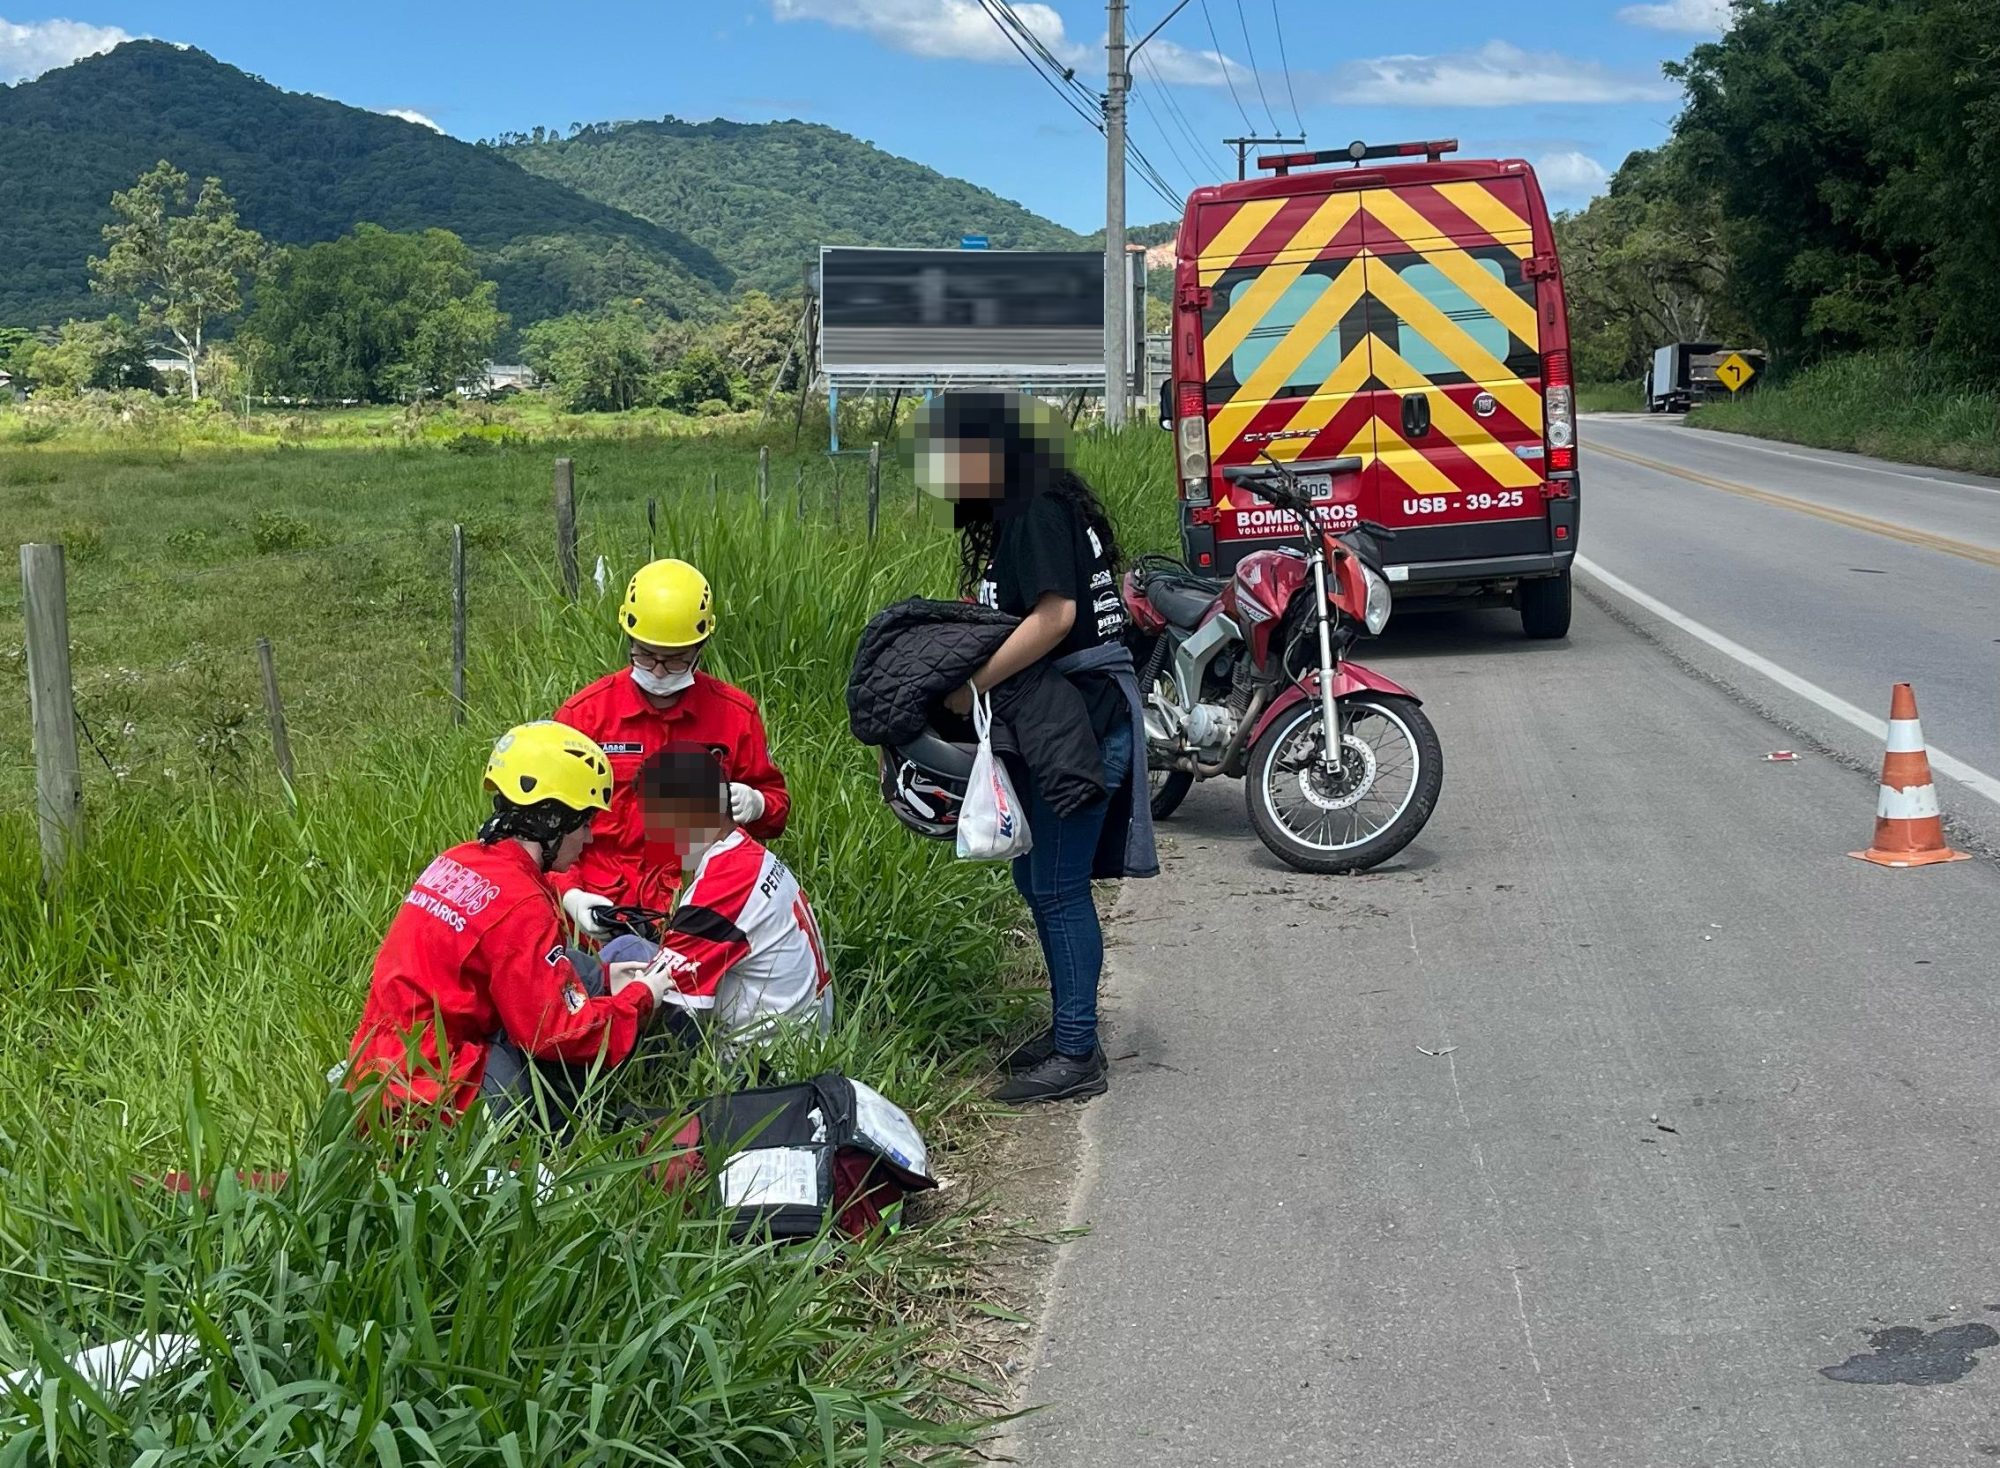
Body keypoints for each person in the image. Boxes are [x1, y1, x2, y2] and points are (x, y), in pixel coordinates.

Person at [921, 392, 1154, 1104]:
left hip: (1079, 727)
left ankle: (1077, 1054)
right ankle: (1068, 1030)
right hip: (1070, 723)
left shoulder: (1034, 506)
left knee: (1056, 887)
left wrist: (971, 685)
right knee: (1041, 882)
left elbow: (1056, 617)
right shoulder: (1033, 503)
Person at [345, 721, 680, 1123]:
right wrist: (640, 998)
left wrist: (608, 980)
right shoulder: (522, 905)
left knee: (577, 965)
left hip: (380, 1061)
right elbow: (558, 1034)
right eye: (585, 823)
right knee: (530, 1085)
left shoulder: (460, 858)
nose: (589, 838)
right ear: (554, 822)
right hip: (436, 1087)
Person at [553, 558, 789, 934]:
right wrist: (571, 896)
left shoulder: (735, 715)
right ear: (629, 641)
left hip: (701, 905)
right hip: (601, 904)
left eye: (676, 661)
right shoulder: (585, 716)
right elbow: (546, 825)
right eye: (646, 656)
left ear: (700, 648)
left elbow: (775, 814)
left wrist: (757, 803)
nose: (659, 671)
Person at [611, 745, 834, 1063]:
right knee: (629, 950)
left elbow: (659, 1014)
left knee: (620, 973)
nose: (651, 834)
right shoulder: (747, 854)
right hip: (806, 1036)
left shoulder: (718, 891)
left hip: (759, 1065)